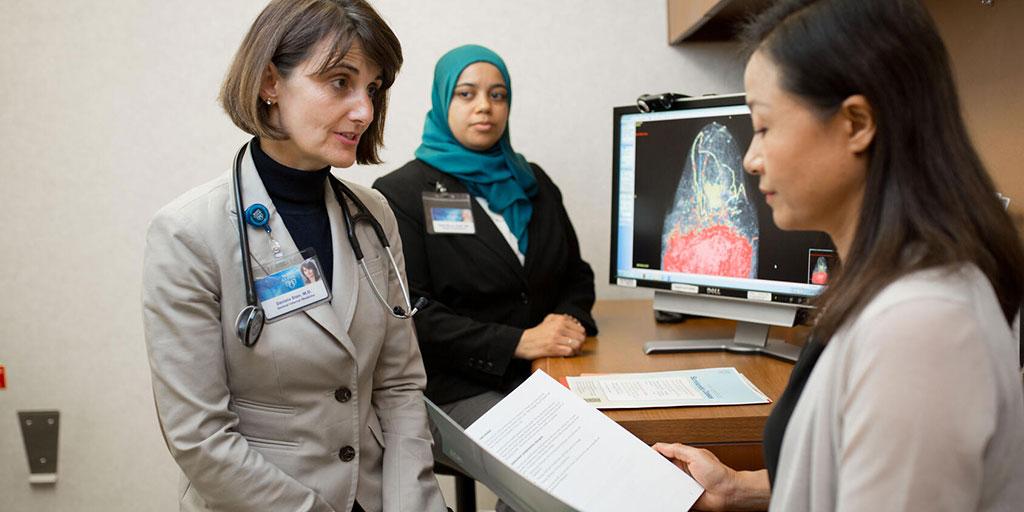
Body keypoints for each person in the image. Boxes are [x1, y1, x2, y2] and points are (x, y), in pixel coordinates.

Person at [653, 0, 1024, 510]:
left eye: (762, 127)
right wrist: (736, 488)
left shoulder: (924, 327)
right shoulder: (886, 286)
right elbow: (854, 464)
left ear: (855, 123)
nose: (749, 159)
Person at [141, 1, 446, 510]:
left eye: (372, 88)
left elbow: (399, 387)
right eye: (339, 82)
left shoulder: (374, 215)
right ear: (269, 83)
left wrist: (412, 503)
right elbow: (199, 438)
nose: (365, 111)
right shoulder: (188, 234)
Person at [373, 44, 597, 431]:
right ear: (443, 100)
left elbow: (576, 276)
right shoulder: (402, 193)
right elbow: (414, 313)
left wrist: (567, 324)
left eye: (498, 95)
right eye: (466, 93)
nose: (484, 107)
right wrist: (518, 342)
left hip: (546, 371)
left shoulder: (534, 181)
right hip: (456, 386)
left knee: (614, 437)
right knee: (549, 455)